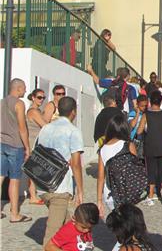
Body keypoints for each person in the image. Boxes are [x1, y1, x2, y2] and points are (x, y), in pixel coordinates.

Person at [37, 96, 85, 246]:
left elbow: (35, 153)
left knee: (68, 224)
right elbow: (76, 164)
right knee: (51, 237)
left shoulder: (45, 128)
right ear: (73, 112)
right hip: (60, 186)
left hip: (42, 184)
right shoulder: (73, 131)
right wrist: (80, 191)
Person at [0, 78, 32, 223]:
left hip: (1, 142)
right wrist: (27, 147)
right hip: (15, 144)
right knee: (14, 179)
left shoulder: (2, 102)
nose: (25, 91)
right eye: (24, 88)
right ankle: (14, 213)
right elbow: (22, 128)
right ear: (18, 88)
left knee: (0, 176)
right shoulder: (19, 104)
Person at [137, 90, 162, 206]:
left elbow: (139, 131)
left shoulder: (146, 114)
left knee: (151, 172)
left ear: (150, 101)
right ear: (160, 101)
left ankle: (151, 197)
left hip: (150, 146)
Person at [97, 114, 137, 214]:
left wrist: (99, 200)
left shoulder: (103, 149)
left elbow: (101, 177)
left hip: (109, 194)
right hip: (126, 191)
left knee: (117, 220)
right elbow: (135, 169)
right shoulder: (128, 145)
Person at [26, 88, 49, 205]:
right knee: (32, 171)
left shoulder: (37, 110)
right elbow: (45, 125)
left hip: (35, 142)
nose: (41, 100)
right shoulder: (33, 111)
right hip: (32, 142)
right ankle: (33, 196)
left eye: (43, 97)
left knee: (33, 170)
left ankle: (33, 195)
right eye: (39, 97)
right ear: (33, 98)